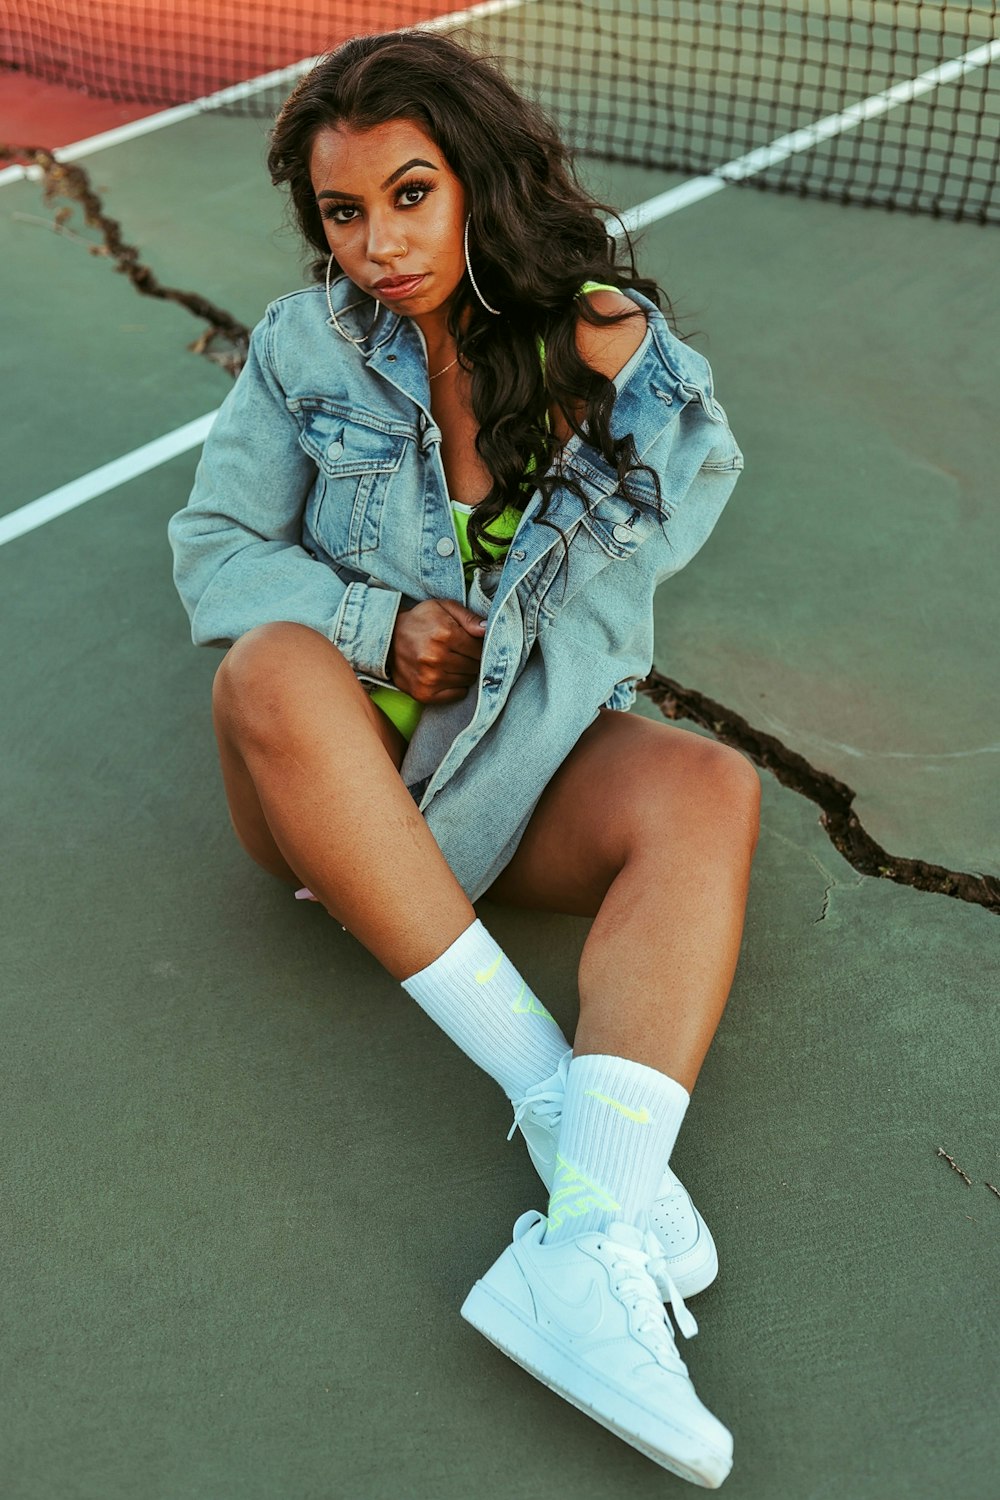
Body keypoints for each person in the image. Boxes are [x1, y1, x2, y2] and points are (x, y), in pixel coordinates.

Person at [168, 28, 758, 1489]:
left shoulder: (588, 342)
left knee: (710, 787)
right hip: (326, 795)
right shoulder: (304, 351)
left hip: (505, 778)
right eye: (344, 213)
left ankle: (581, 1245)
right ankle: (580, 1125)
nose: (378, 244)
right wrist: (376, 625)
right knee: (270, 662)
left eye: (411, 196)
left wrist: (631, 365)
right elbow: (213, 554)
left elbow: (685, 497)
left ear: (477, 181)